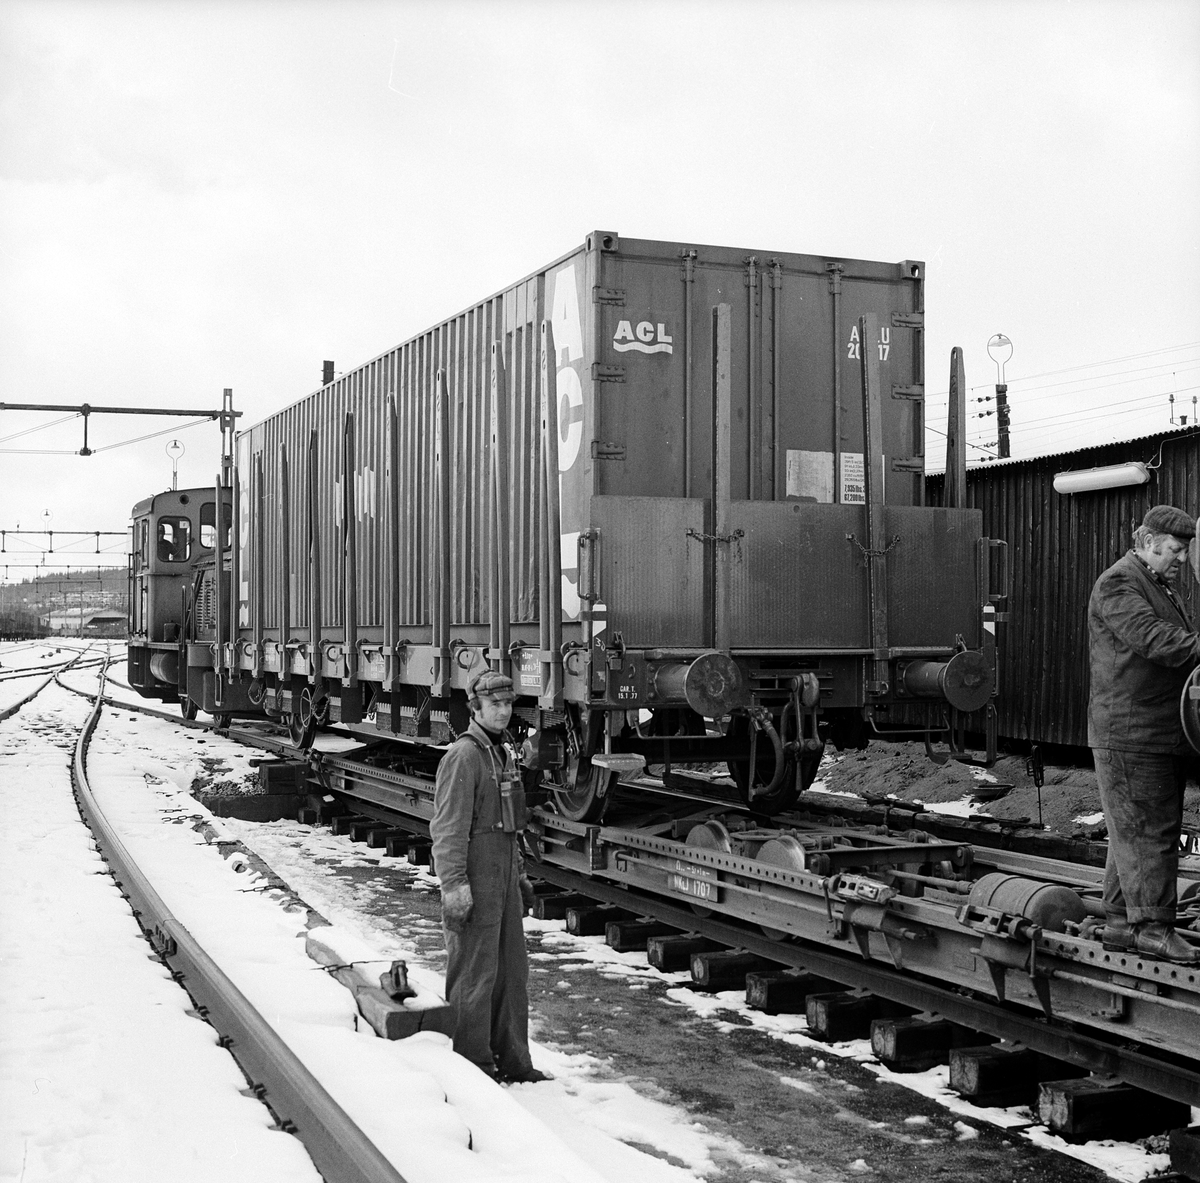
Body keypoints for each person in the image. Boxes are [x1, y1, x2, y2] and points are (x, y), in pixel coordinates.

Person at [1088, 503, 1200, 964]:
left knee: (1131, 832)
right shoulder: (1120, 582)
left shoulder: (1156, 583)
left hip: (1152, 729)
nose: (1179, 559)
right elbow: (1154, 639)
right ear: (1149, 540)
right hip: (1133, 732)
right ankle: (1152, 929)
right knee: (1151, 829)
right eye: (1174, 550)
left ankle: (1119, 922)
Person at [429, 669, 549, 1082]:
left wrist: (518, 876)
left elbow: (509, 825)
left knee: (512, 972)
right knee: (475, 974)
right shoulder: (464, 756)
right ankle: (472, 1067)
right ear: (475, 709)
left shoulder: (499, 752)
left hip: (501, 874)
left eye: (508, 704)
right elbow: (448, 830)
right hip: (476, 875)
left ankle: (514, 1062)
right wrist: (455, 886)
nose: (503, 712)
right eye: (494, 705)